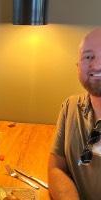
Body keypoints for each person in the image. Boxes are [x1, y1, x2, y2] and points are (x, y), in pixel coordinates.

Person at [48, 28, 101, 200]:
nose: (97, 65)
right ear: (77, 66)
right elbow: (56, 168)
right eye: (88, 56)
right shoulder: (70, 107)